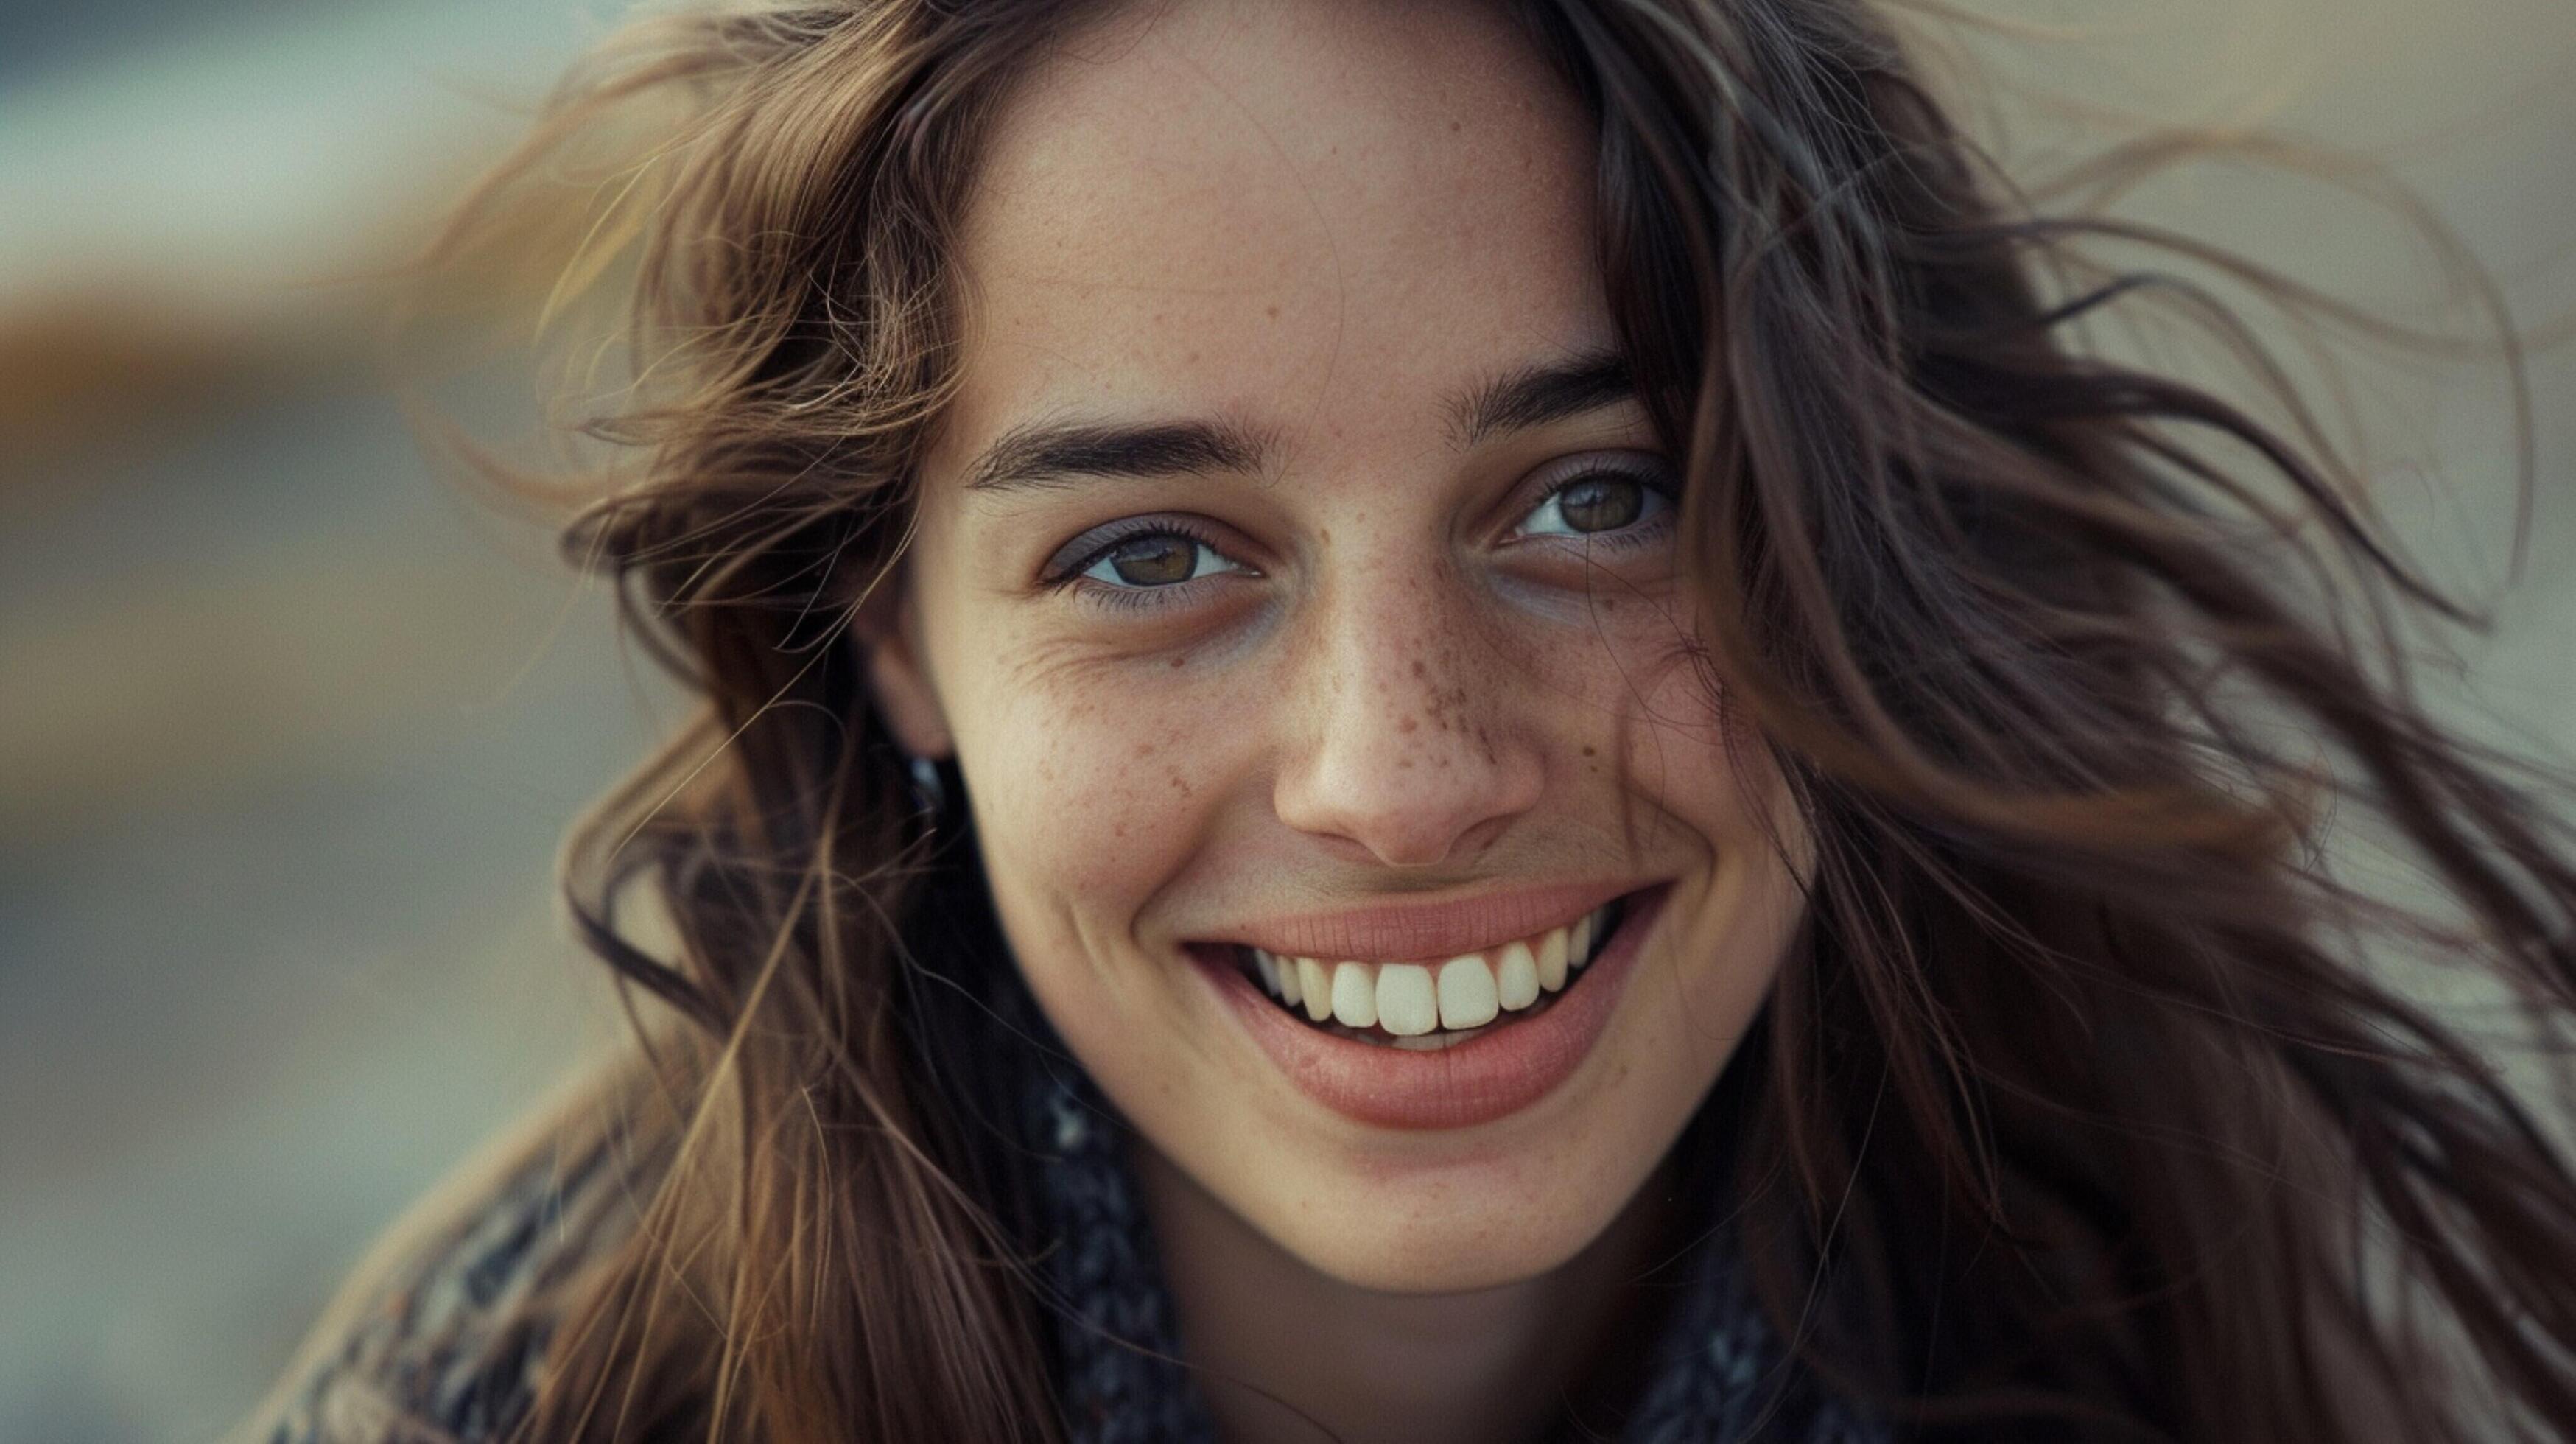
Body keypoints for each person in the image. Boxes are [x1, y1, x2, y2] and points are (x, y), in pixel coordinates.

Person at [245, 1, 2576, 1440]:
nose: (1401, 771)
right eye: (1150, 554)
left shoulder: (2150, 1274)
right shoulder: (505, 1416)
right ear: (894, 639)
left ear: (1851, 524)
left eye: (1598, 495)